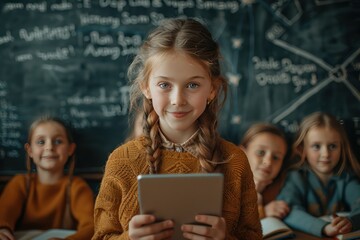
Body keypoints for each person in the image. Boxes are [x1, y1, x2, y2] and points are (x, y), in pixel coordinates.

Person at [93, 18, 262, 239]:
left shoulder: (235, 162)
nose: (177, 99)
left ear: (212, 89)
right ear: (146, 87)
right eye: (164, 85)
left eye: (193, 85)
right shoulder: (122, 161)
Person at [0, 116, 95, 240]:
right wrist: (3, 229)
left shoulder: (77, 187)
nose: (49, 147)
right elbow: (3, 216)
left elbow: (92, 226)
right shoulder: (20, 183)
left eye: (58, 141)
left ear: (70, 149)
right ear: (30, 150)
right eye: (40, 142)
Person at [276, 112, 360, 237]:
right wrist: (324, 228)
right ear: (302, 149)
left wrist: (350, 221)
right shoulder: (296, 178)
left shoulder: (346, 177)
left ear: (341, 147)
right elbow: (289, 211)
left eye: (332, 146)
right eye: (316, 146)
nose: (326, 154)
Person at [239, 123, 290, 219]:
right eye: (260, 152)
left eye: (276, 157)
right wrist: (263, 212)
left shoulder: (281, 191)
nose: (268, 162)